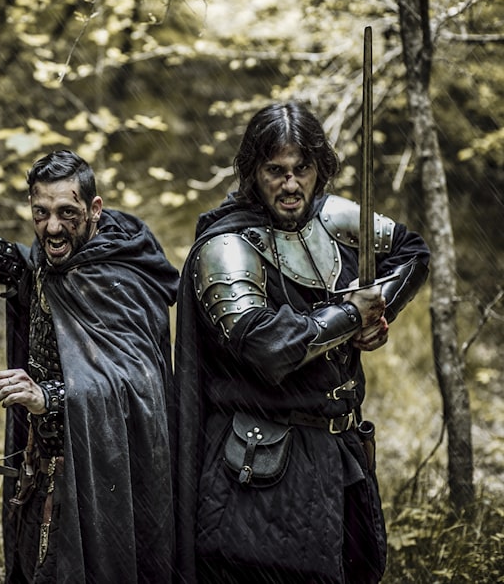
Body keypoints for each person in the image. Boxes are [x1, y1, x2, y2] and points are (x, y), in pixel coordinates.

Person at [172, 101, 430, 583]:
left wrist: (380, 314)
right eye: (276, 171)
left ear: (319, 169)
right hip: (262, 465)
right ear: (254, 172)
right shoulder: (227, 247)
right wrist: (352, 314)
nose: (291, 185)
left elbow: (413, 253)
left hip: (341, 454)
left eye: (302, 169)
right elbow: (268, 347)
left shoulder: (332, 219)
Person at [0, 149, 180, 583]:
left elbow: (137, 386)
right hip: (43, 464)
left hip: (101, 469)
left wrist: (45, 396)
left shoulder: (120, 278)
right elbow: (30, 271)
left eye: (67, 213)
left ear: (94, 209)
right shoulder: (56, 259)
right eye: (41, 213)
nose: (52, 227)